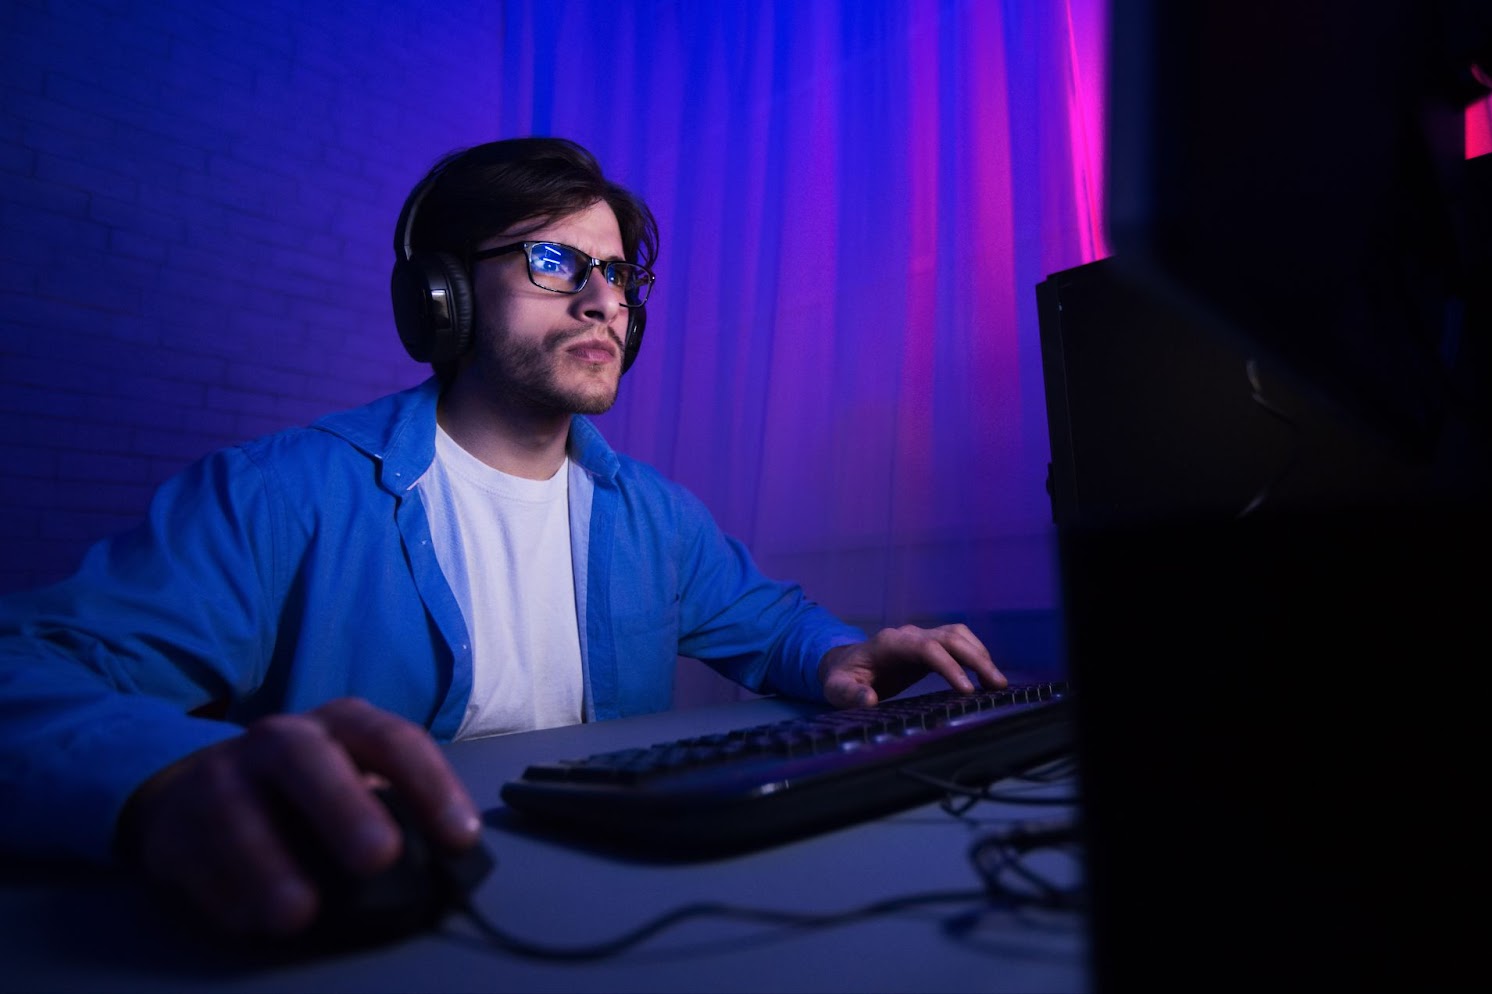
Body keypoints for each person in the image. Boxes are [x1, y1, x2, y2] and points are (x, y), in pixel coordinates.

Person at [0, 137, 1005, 937]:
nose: (603, 298)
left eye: (616, 276)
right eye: (554, 260)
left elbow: (767, 618)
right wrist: (160, 778)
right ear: (440, 295)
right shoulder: (274, 494)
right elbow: (28, 671)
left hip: (607, 919)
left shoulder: (652, 513)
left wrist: (840, 653)